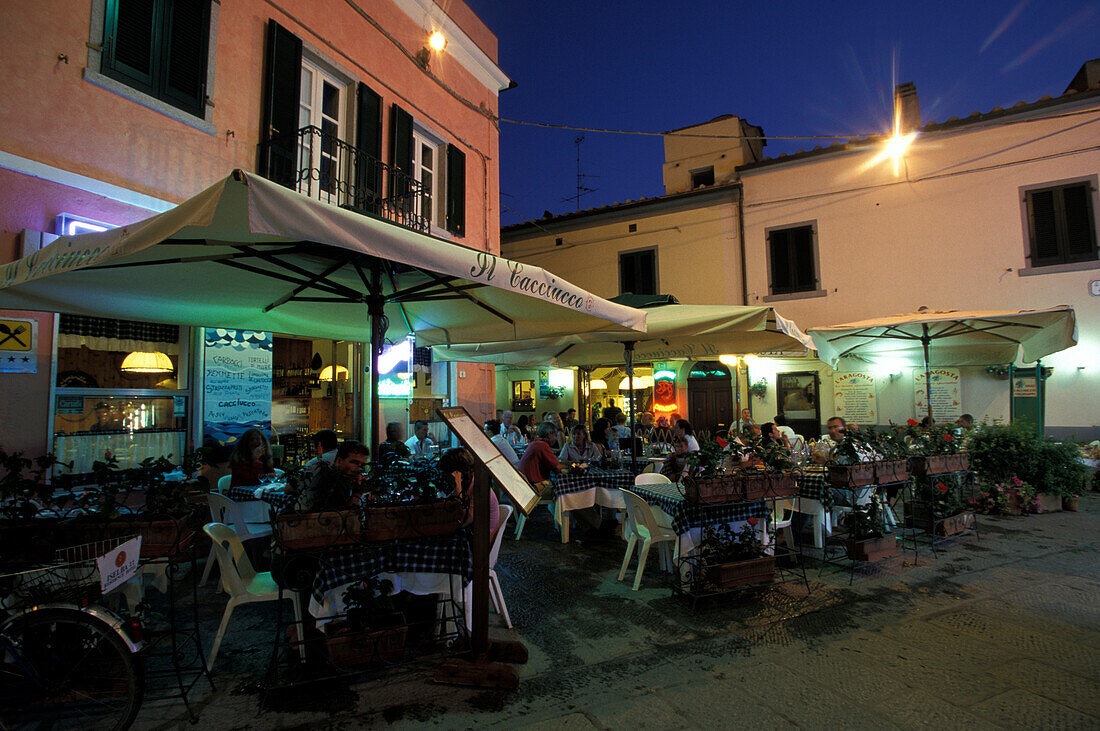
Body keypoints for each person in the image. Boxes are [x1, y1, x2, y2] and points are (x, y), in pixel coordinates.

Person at [438, 446, 500, 538]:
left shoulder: (478, 488)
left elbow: (462, 521)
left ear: (457, 473)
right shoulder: (469, 482)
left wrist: (457, 488)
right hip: (472, 532)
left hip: (480, 542)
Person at [294, 441, 369, 512]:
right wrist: (358, 491)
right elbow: (345, 515)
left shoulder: (348, 479)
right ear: (339, 461)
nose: (359, 468)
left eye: (362, 465)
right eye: (354, 462)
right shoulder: (332, 479)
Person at [517, 422, 564, 493]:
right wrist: (571, 466)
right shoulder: (542, 445)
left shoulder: (535, 443)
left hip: (525, 484)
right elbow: (557, 468)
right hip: (532, 486)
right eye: (555, 436)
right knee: (562, 489)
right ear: (549, 435)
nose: (555, 439)